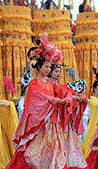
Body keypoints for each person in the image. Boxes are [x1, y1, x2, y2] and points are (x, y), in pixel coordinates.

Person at [6, 34, 71, 169]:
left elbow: (63, 90)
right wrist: (53, 100)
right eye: (46, 67)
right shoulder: (34, 83)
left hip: (52, 122)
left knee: (53, 151)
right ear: (39, 68)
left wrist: (69, 98)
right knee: (35, 151)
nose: (48, 70)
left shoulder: (50, 84)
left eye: (49, 67)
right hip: (39, 124)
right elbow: (38, 98)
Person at [49, 65, 88, 169]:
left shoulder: (62, 86)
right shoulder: (49, 86)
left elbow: (69, 94)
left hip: (65, 120)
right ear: (50, 72)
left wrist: (80, 97)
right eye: (56, 71)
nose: (58, 74)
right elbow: (66, 96)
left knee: (66, 145)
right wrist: (75, 98)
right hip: (54, 119)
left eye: (59, 71)